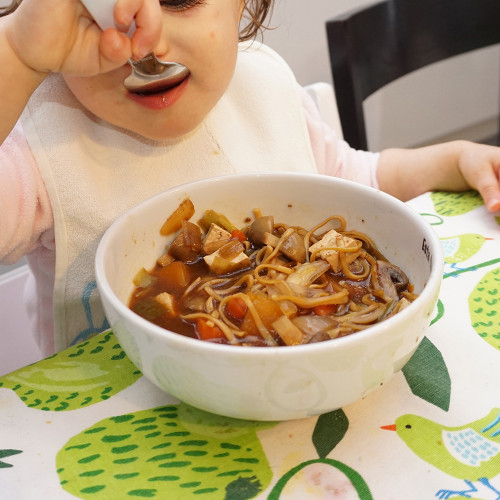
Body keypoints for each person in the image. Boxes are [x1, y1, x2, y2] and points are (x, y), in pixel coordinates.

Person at [0, 0, 499, 356]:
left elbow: (359, 178)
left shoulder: (265, 89)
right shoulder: (39, 146)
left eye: (179, 0)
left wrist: (452, 160)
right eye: (98, 15)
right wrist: (18, 58)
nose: (143, 45)